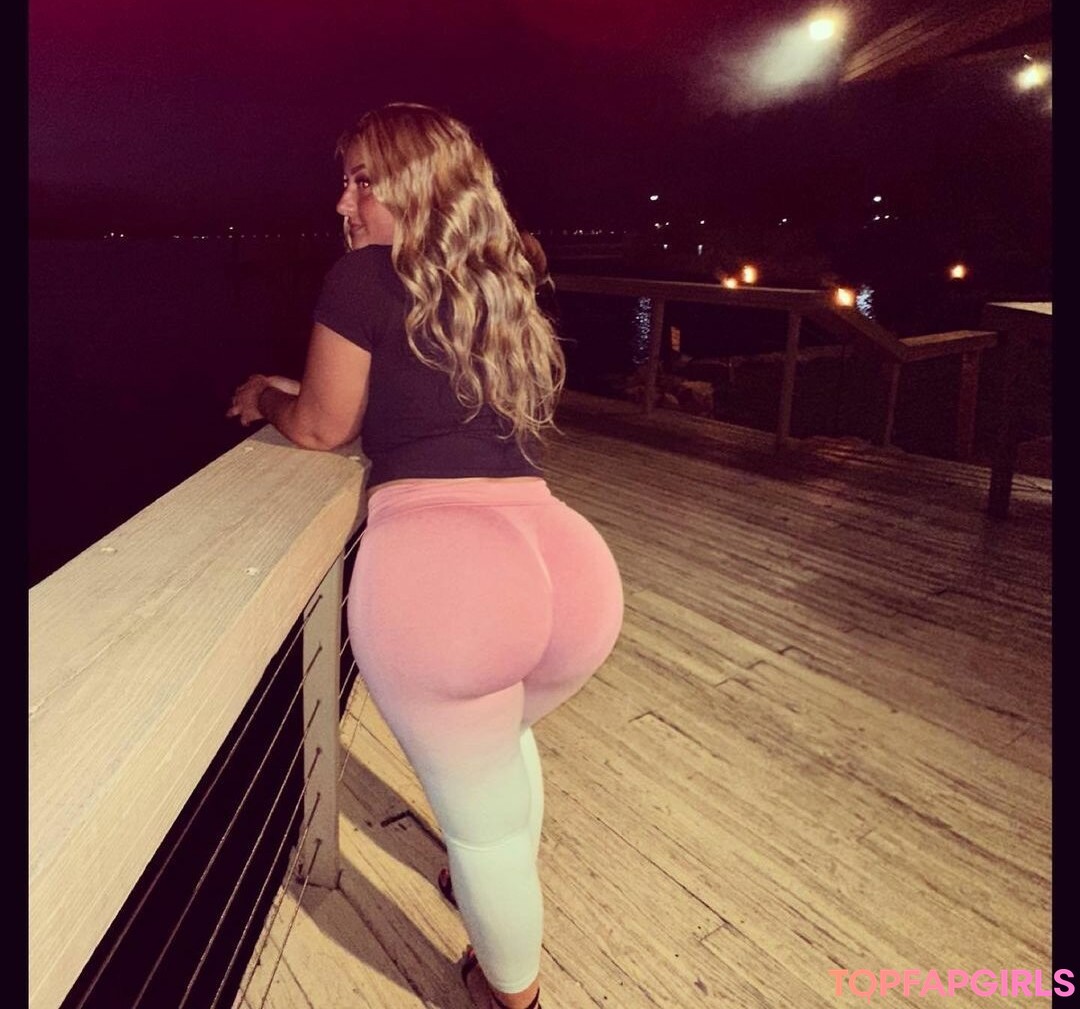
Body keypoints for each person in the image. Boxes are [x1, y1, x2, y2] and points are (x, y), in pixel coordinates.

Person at [227, 102, 624, 1009]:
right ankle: (492, 881)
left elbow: (323, 426)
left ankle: (508, 992)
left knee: (482, 829)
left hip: (450, 585)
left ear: (417, 184)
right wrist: (304, 385)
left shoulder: (361, 277)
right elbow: (417, 394)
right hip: (566, 564)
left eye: (363, 181)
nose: (343, 203)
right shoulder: (501, 278)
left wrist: (269, 398)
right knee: (503, 739)